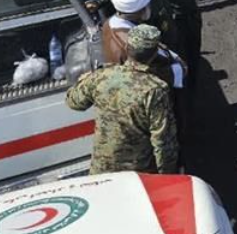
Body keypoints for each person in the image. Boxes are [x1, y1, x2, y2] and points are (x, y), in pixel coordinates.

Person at [65, 24, 178, 175]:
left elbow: (73, 102)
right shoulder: (155, 89)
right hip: (139, 172)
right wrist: (167, 176)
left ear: (127, 47)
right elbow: (163, 141)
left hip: (102, 169)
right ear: (154, 53)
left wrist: (84, 80)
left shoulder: (101, 76)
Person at [98, 0, 187, 89]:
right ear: (141, 10)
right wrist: (179, 68)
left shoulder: (109, 24)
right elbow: (153, 72)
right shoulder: (137, 44)